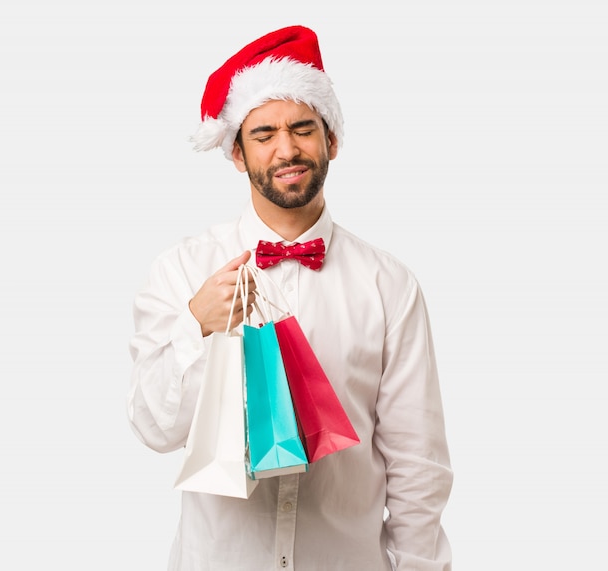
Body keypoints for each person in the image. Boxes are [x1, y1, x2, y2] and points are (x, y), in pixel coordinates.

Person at [127, 25, 453, 571]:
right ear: (236, 152)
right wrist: (197, 326)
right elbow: (154, 429)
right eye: (263, 134)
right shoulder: (181, 269)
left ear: (332, 141)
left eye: (303, 128)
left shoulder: (389, 285)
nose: (286, 149)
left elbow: (417, 463)